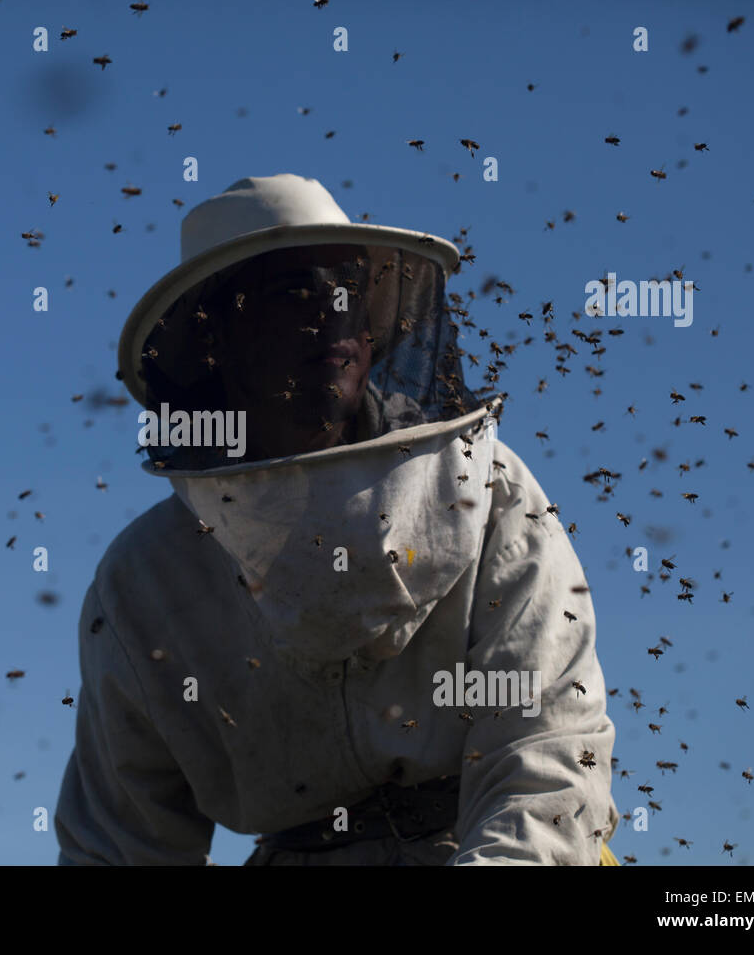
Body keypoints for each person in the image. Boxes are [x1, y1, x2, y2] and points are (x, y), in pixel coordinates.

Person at [55, 173, 618, 865]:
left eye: (347, 290)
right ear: (215, 342)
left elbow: (549, 754)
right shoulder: (144, 579)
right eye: (292, 293)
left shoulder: (488, 488)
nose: (333, 314)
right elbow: (119, 842)